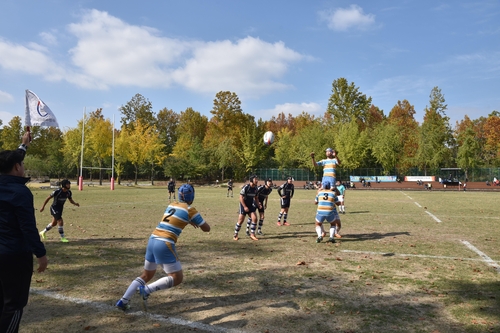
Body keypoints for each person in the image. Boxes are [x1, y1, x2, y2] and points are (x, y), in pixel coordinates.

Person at [116, 184, 210, 311]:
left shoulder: (171, 205)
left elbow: (175, 218)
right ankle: (147, 290)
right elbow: (206, 228)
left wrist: (187, 220)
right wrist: (191, 219)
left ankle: (123, 301)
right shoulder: (190, 210)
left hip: (152, 239)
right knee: (177, 277)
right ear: (192, 197)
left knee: (146, 275)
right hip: (164, 243)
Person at [0, 131, 48, 332]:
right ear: (17, 167)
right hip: (14, 256)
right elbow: (28, 228)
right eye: (22, 164)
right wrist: (41, 253)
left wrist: (24, 146)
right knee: (14, 304)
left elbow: (9, 162)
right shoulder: (20, 192)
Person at [233, 175, 261, 241]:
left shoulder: (256, 188)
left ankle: (252, 234)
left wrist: (258, 204)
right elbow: (240, 197)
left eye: (257, 179)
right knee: (241, 220)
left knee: (255, 218)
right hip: (243, 205)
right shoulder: (246, 187)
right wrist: (245, 207)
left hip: (250, 205)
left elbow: (256, 198)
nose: (257, 181)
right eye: (255, 179)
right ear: (251, 180)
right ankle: (235, 234)